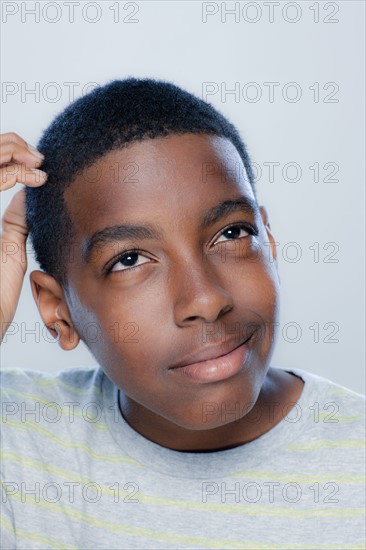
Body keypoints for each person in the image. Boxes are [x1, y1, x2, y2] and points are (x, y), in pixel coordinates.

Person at [0, 78, 364, 550]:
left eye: (232, 233)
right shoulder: (18, 445)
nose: (205, 300)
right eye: (129, 260)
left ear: (269, 243)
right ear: (58, 310)